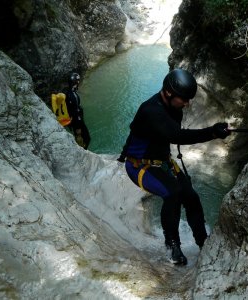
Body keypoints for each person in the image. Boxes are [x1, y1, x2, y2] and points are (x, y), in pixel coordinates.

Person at [118, 69, 230, 265]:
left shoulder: (174, 107)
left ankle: (203, 241)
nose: (187, 104)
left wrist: (215, 131)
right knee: (173, 192)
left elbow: (169, 134)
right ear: (169, 93)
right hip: (139, 166)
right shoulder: (151, 111)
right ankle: (172, 245)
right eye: (184, 99)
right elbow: (177, 136)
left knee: (191, 197)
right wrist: (212, 132)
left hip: (162, 163)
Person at [65, 72, 91, 149]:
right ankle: (83, 151)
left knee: (85, 138)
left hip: (77, 120)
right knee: (86, 138)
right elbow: (73, 111)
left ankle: (83, 150)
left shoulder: (70, 93)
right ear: (75, 82)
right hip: (77, 121)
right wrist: (78, 126)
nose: (79, 82)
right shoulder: (71, 95)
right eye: (78, 81)